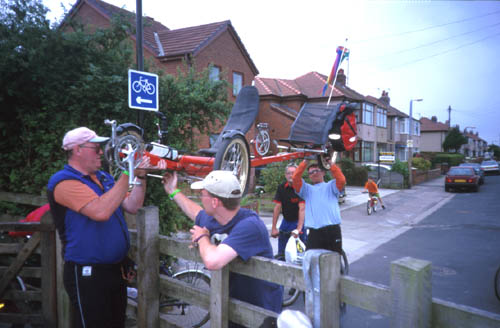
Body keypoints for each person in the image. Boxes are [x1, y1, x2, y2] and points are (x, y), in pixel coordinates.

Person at [47, 126, 163, 328]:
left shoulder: (104, 178)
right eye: (96, 148)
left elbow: (132, 205)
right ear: (77, 150)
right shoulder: (63, 182)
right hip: (86, 272)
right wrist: (128, 171)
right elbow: (100, 211)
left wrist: (140, 175)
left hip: (114, 270)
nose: (102, 152)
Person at [162, 170, 283, 327]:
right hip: (235, 306)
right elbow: (196, 212)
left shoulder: (250, 226)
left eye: (203, 194)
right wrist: (173, 191)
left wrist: (202, 237)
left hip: (260, 313)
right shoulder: (217, 217)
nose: (200, 198)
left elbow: (213, 261)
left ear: (214, 202)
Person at [292, 159, 346, 254]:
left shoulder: (331, 185)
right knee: (312, 260)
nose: (314, 173)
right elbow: (295, 178)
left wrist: (329, 163)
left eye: (317, 170)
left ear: (324, 172)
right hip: (314, 232)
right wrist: (305, 161)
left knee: (334, 260)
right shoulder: (306, 189)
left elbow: (341, 180)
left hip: (332, 230)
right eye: (311, 172)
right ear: (309, 176)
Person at [271, 163, 306, 257]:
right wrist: (274, 228)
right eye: (288, 173)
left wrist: (299, 229)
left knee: (299, 252)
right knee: (282, 251)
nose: (291, 175)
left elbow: (302, 209)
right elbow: (277, 207)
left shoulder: (301, 187)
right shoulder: (281, 187)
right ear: (285, 175)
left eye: (293, 173)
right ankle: (281, 258)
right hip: (286, 221)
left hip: (298, 221)